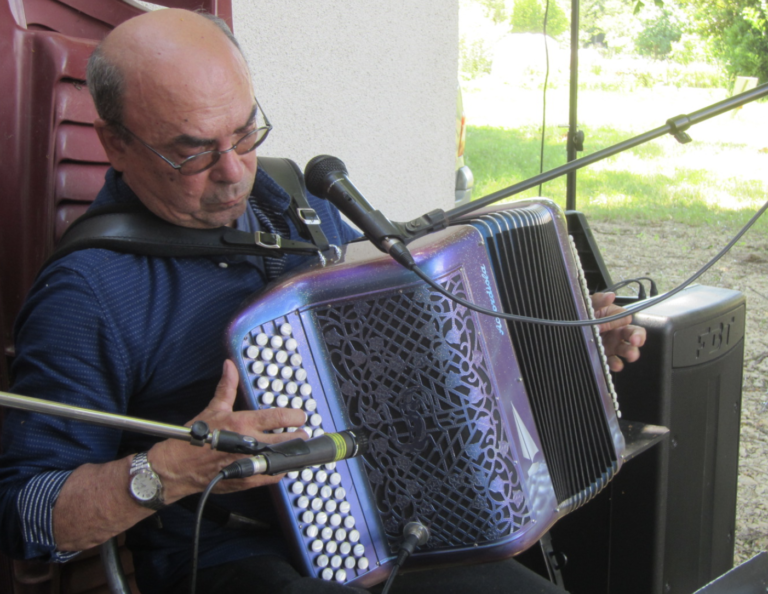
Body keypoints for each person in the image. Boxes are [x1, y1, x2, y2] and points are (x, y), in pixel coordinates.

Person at [0, 8, 645, 594]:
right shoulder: (88, 292)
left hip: (392, 515)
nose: (233, 172)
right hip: (233, 554)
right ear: (115, 142)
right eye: (191, 151)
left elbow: (424, 347)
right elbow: (25, 512)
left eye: (244, 132)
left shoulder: (296, 204)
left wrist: (562, 335)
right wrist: (175, 468)